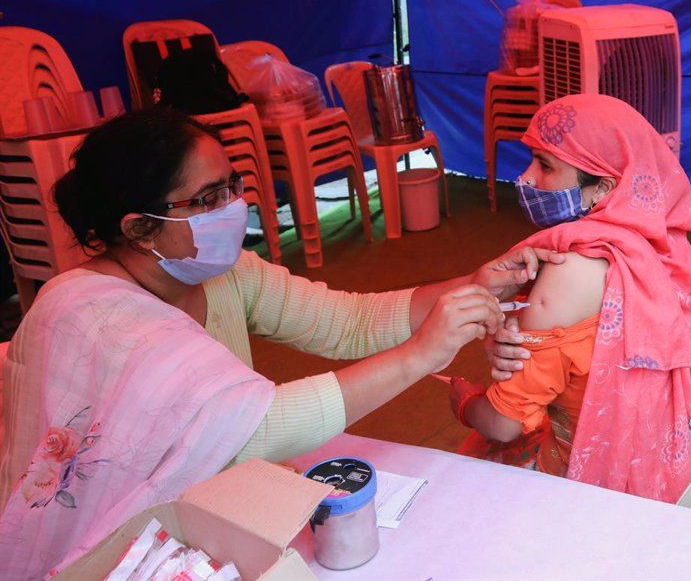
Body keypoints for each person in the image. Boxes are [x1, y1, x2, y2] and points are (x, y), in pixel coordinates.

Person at [0, 108, 559, 578]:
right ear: (138, 227)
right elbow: (258, 430)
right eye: (207, 197)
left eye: (232, 185)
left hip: (210, 511)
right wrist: (420, 356)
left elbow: (348, 322)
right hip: (108, 549)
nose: (232, 207)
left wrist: (472, 286)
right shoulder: (88, 314)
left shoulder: (223, 275)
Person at [449, 94, 691, 502]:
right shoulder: (663, 245)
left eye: (545, 165)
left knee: (464, 487)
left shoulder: (569, 270)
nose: (526, 178)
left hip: (626, 496)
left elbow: (504, 423)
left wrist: (465, 403)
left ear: (603, 188)